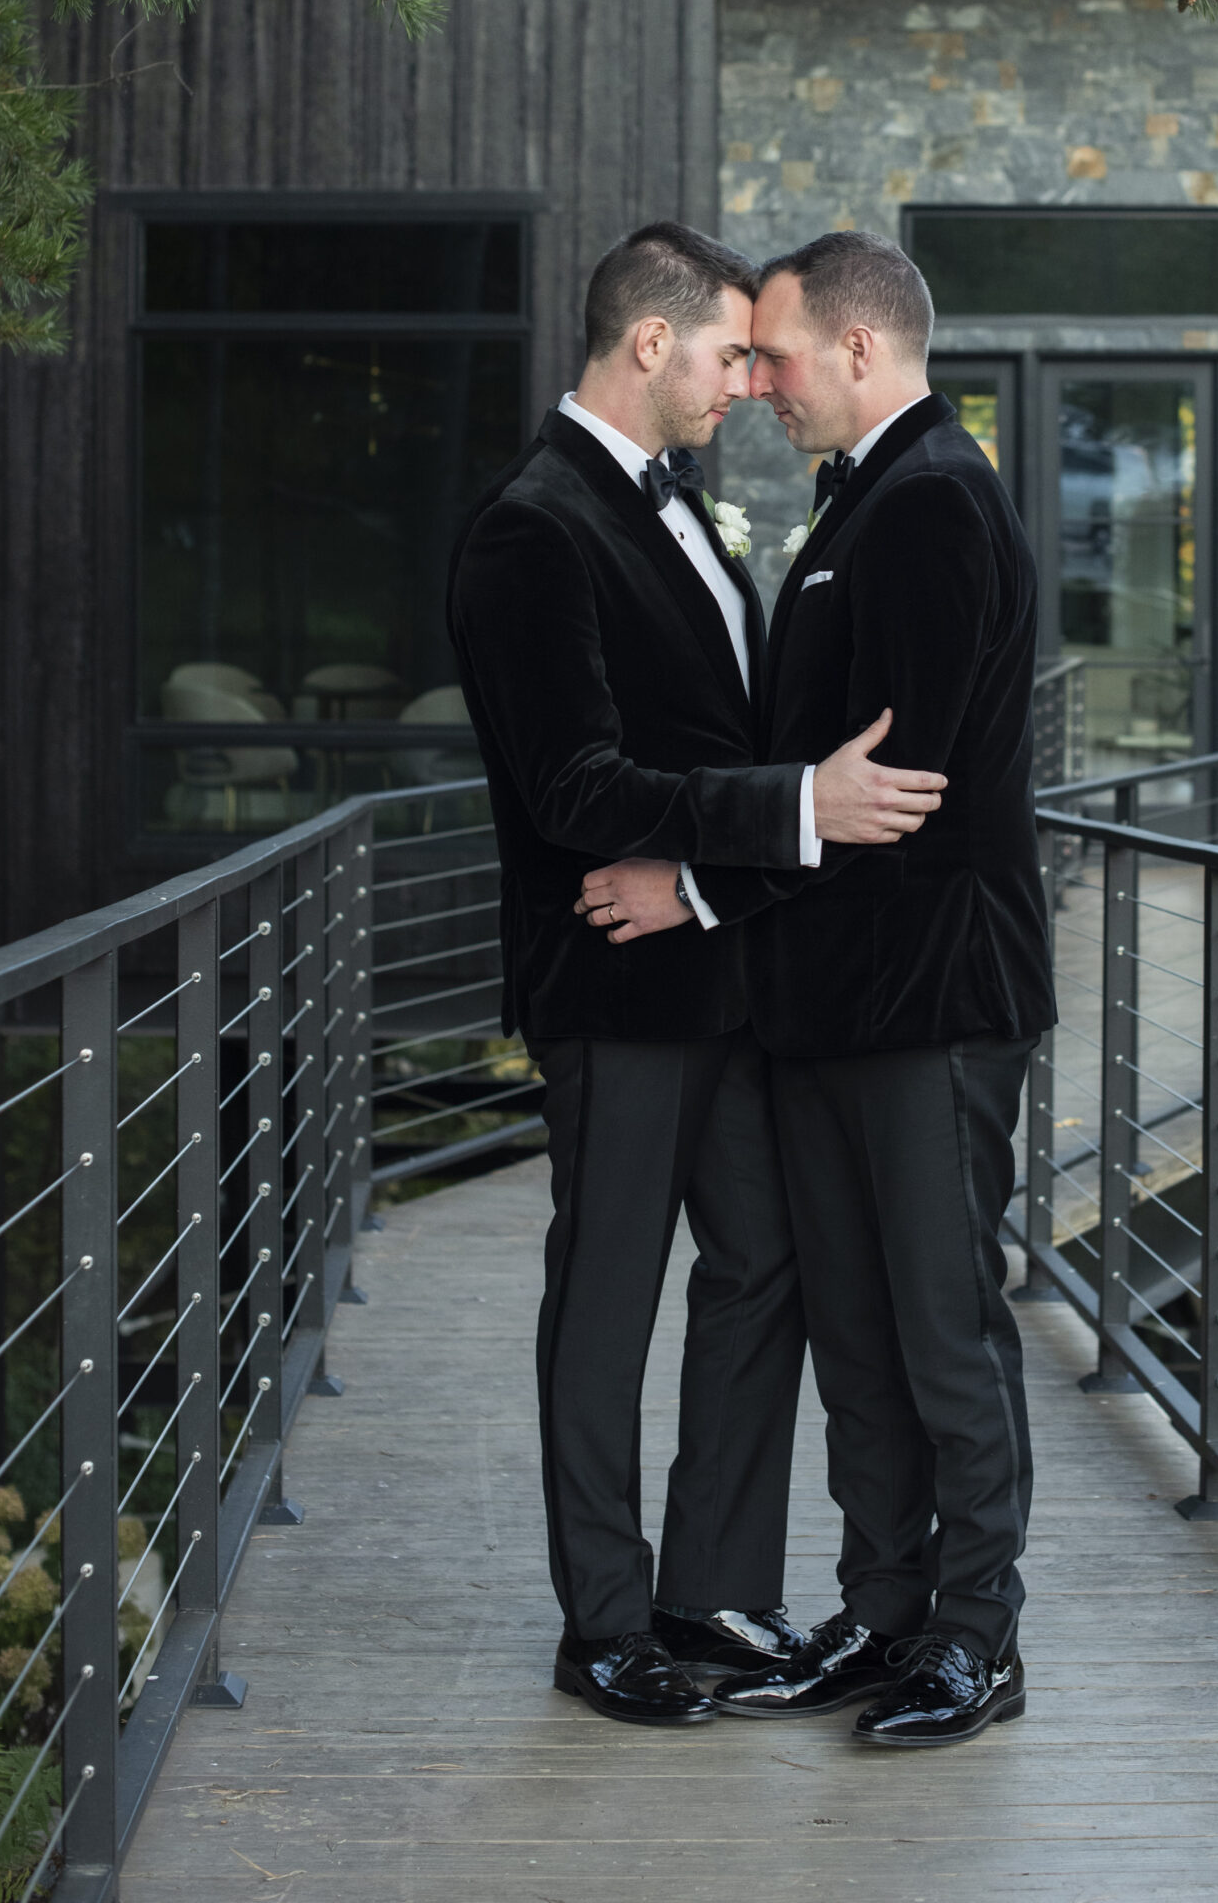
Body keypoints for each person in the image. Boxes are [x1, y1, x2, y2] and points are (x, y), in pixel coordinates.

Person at [446, 221, 947, 1729]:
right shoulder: (532, 527)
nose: (747, 381)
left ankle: (708, 1586)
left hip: (724, 974)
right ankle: (601, 1622)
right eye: (729, 353)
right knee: (606, 1299)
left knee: (766, 1263)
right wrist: (798, 811)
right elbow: (574, 790)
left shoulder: (685, 513)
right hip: (611, 983)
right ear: (649, 343)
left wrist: (735, 882)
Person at [578, 229, 1055, 1750]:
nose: (761, 381)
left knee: (942, 1329)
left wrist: (695, 885)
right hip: (836, 1009)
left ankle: (977, 1640)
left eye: (778, 353)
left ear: (861, 348)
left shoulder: (935, 506)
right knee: (857, 1332)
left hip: (931, 1003)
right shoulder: (868, 503)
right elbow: (820, 781)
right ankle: (887, 1613)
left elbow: (883, 795)